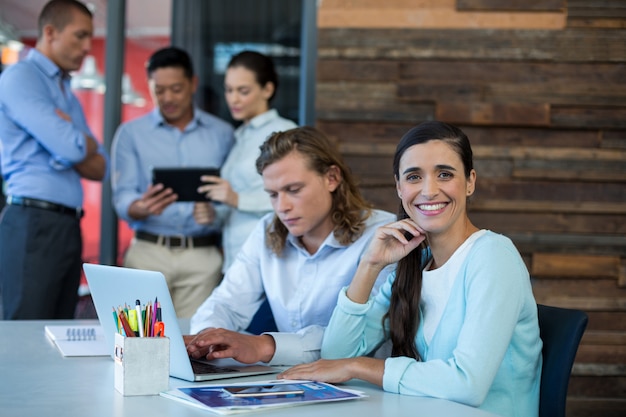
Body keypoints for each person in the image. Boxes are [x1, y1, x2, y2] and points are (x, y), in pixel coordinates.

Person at [278, 121, 543, 417]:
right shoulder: (415, 264)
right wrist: (370, 264)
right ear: (399, 187)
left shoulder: (493, 256)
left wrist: (360, 366)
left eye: (444, 174)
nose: (429, 191)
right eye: (414, 176)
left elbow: (468, 384)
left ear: (470, 182)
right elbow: (336, 356)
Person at [185, 126, 396, 366]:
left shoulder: (381, 237)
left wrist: (265, 346)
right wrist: (205, 340)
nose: (281, 206)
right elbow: (226, 302)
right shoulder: (268, 230)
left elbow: (363, 335)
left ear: (332, 178)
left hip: (364, 389)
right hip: (289, 382)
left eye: (293, 190)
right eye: (273, 194)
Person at [0, 0, 107, 320]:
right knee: (25, 333)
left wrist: (69, 140)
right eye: (80, 35)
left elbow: (100, 166)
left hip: (67, 224)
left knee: (59, 331)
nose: (87, 46)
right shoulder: (21, 78)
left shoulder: (66, 92)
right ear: (50, 32)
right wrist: (74, 144)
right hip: (33, 221)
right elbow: (76, 150)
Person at [111, 46, 234, 318]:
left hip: (202, 257)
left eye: (176, 89)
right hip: (147, 253)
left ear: (193, 84)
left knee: (195, 345)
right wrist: (139, 206)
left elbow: (232, 195)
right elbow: (121, 197)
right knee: (141, 343)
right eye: (159, 90)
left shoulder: (222, 134)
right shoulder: (131, 134)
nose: (167, 98)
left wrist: (215, 213)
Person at [194, 50, 297, 272]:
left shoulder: (284, 133)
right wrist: (215, 214)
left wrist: (236, 198)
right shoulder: (240, 136)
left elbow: (294, 198)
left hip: (271, 260)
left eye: (243, 91)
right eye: (229, 90)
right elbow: (236, 202)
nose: (233, 99)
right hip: (236, 259)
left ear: (267, 89)